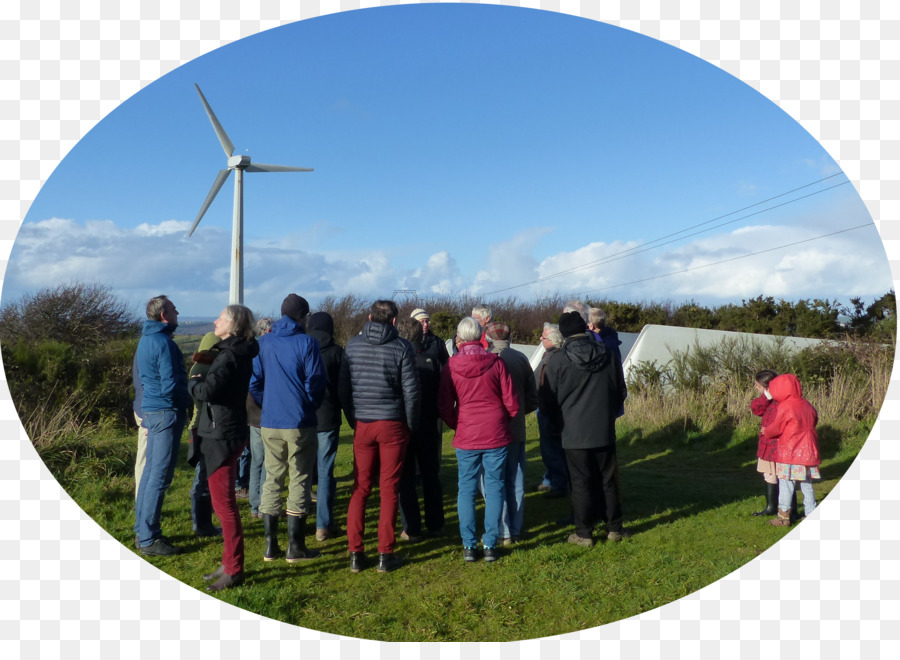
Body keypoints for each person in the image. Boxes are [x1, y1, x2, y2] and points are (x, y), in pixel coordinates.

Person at [339, 300, 420, 574]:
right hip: (392, 422)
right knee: (389, 488)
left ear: (370, 316)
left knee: (360, 487)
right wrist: (410, 425)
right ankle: (385, 553)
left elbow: (344, 387)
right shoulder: (402, 347)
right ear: (395, 321)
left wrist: (354, 418)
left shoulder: (352, 345)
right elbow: (411, 392)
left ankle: (355, 553)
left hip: (364, 421)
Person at [539, 311, 628, 547]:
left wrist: (557, 423)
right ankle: (614, 529)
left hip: (573, 430)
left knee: (580, 482)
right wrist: (608, 414)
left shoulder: (557, 360)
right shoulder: (608, 355)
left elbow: (547, 400)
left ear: (564, 334)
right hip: (602, 428)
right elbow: (620, 391)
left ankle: (584, 533)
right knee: (608, 480)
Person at [249, 294, 326, 563]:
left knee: (272, 478)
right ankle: (296, 547)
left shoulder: (264, 341)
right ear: (303, 316)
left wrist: (268, 404)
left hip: (269, 421)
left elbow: (254, 382)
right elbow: (315, 382)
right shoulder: (307, 342)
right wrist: (308, 404)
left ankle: (271, 547)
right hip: (298, 420)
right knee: (300, 478)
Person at [188, 305, 260, 591]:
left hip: (222, 434)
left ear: (233, 325)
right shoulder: (236, 352)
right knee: (223, 504)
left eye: (221, 317)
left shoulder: (229, 355)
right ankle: (229, 562)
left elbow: (209, 391)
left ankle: (234, 568)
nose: (215, 320)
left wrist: (193, 382)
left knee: (224, 506)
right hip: (227, 429)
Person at [438, 317, 518, 563]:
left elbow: (443, 404)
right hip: (494, 431)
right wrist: (503, 420)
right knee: (494, 487)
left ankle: (469, 545)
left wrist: (456, 423)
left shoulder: (451, 365)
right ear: (481, 336)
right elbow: (511, 402)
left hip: (467, 433)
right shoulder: (496, 362)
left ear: (459, 338)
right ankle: (490, 544)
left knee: (466, 488)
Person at [134, 295, 192, 556]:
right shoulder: (164, 343)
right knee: (159, 476)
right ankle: (149, 538)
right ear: (163, 315)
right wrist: (186, 401)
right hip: (166, 411)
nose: (178, 311)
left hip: (152, 409)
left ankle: (143, 531)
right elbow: (170, 382)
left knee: (149, 474)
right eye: (173, 308)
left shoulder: (146, 339)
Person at [483, 321, 538, 545]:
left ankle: (500, 529)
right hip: (515, 427)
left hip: (488, 430)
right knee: (515, 479)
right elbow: (532, 397)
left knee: (492, 480)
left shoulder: (482, 358)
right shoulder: (520, 358)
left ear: (487, 337)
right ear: (510, 337)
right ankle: (514, 530)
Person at [396, 316, 445, 540]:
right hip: (428, 423)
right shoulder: (431, 359)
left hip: (404, 424)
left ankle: (412, 528)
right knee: (430, 475)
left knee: (405, 478)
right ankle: (436, 524)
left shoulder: (398, 360)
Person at [763, 373, 822, 527]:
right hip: (808, 451)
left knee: (786, 484)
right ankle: (810, 512)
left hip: (790, 451)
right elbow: (815, 419)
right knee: (807, 484)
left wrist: (766, 431)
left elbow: (776, 428)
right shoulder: (807, 404)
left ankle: (783, 516)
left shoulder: (785, 406)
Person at [307, 311, 345, 542]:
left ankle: (298, 522)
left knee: (300, 472)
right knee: (325, 472)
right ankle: (323, 524)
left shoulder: (302, 348)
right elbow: (343, 389)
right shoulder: (336, 352)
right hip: (328, 417)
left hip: (302, 417)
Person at [187, 332, 224, 538]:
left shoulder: (197, 367)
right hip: (203, 426)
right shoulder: (206, 369)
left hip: (199, 425)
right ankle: (201, 524)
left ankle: (203, 521)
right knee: (203, 475)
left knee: (203, 473)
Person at [534, 323, 569, 498]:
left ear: (554, 340)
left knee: (552, 450)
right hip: (550, 409)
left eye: (544, 336)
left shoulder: (553, 358)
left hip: (550, 410)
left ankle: (558, 484)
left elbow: (548, 387)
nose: (540, 338)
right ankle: (553, 480)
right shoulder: (551, 355)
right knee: (552, 449)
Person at [246, 316, 273, 520]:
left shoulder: (251, 348)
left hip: (251, 412)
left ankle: (255, 506)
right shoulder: (265, 349)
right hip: (263, 411)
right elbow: (256, 383)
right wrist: (268, 402)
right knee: (266, 461)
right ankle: (263, 505)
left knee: (257, 460)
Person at [750, 369, 780, 517]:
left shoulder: (782, 399)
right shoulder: (767, 398)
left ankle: (778, 507)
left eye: (757, 385)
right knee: (769, 475)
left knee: (781, 476)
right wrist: (766, 396)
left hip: (776, 444)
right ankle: (771, 506)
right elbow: (756, 409)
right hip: (768, 444)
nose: (756, 387)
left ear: (764, 385)